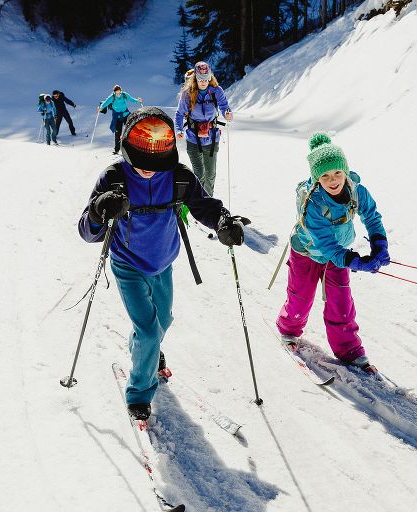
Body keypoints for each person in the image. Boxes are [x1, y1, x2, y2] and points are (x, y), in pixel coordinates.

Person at [78, 106, 249, 421]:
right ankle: (139, 394)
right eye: (141, 163)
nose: (148, 170)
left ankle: (146, 350)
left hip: (163, 263)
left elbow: (203, 206)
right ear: (127, 150)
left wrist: (224, 221)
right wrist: (99, 210)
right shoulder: (114, 178)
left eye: (155, 164)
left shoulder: (178, 177)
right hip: (127, 265)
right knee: (147, 331)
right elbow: (87, 232)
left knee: (163, 321)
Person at [276, 133, 390, 374]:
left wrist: (379, 244)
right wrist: (356, 262)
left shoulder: (356, 190)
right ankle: (289, 327)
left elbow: (371, 215)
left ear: (345, 170)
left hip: (338, 255)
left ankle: (349, 350)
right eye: (325, 175)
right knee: (301, 297)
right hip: (307, 252)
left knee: (341, 302)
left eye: (337, 172)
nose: (333, 180)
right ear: (317, 178)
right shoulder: (313, 203)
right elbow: (326, 246)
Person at [174, 61, 233, 196]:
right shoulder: (188, 93)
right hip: (193, 139)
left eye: (206, 79)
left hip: (212, 139)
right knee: (199, 175)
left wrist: (228, 114)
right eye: (200, 79)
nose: (203, 82)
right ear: (195, 77)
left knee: (210, 175)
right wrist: (179, 130)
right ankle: (199, 203)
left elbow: (224, 106)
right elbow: (179, 113)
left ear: (210, 77)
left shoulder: (216, 91)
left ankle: (208, 202)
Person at [98, 85, 143, 154]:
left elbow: (131, 99)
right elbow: (106, 103)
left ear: (121, 90)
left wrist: (138, 100)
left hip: (125, 114)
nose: (118, 93)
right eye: (117, 91)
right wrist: (101, 108)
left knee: (131, 129)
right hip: (117, 116)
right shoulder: (112, 97)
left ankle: (133, 146)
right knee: (118, 133)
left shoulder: (124, 95)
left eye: (119, 91)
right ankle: (117, 149)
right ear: (115, 92)